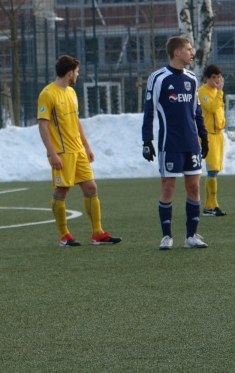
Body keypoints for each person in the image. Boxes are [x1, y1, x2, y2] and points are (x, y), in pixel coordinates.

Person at [37, 55, 121, 247]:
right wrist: (52, 153)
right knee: (61, 191)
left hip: (78, 151)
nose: (78, 74)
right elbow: (43, 126)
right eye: (77, 71)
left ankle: (98, 233)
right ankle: (64, 235)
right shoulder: (48, 94)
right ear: (70, 73)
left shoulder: (72, 93)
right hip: (62, 153)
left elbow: (76, 122)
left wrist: (87, 146)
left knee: (91, 188)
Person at [141, 37, 209, 249]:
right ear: (177, 52)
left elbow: (197, 111)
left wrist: (204, 136)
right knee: (168, 188)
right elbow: (149, 110)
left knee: (194, 188)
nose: (192, 53)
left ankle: (191, 236)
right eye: (189, 49)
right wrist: (147, 140)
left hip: (191, 143)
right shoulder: (158, 78)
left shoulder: (191, 78)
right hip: (169, 144)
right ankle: (166, 236)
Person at [199, 64, 228, 217]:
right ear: (207, 78)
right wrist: (220, 92)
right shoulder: (202, 92)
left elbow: (219, 111)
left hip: (218, 135)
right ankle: (213, 205)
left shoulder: (216, 92)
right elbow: (211, 107)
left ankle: (208, 207)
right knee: (212, 170)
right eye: (214, 77)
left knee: (214, 171)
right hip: (207, 135)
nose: (217, 80)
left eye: (219, 77)